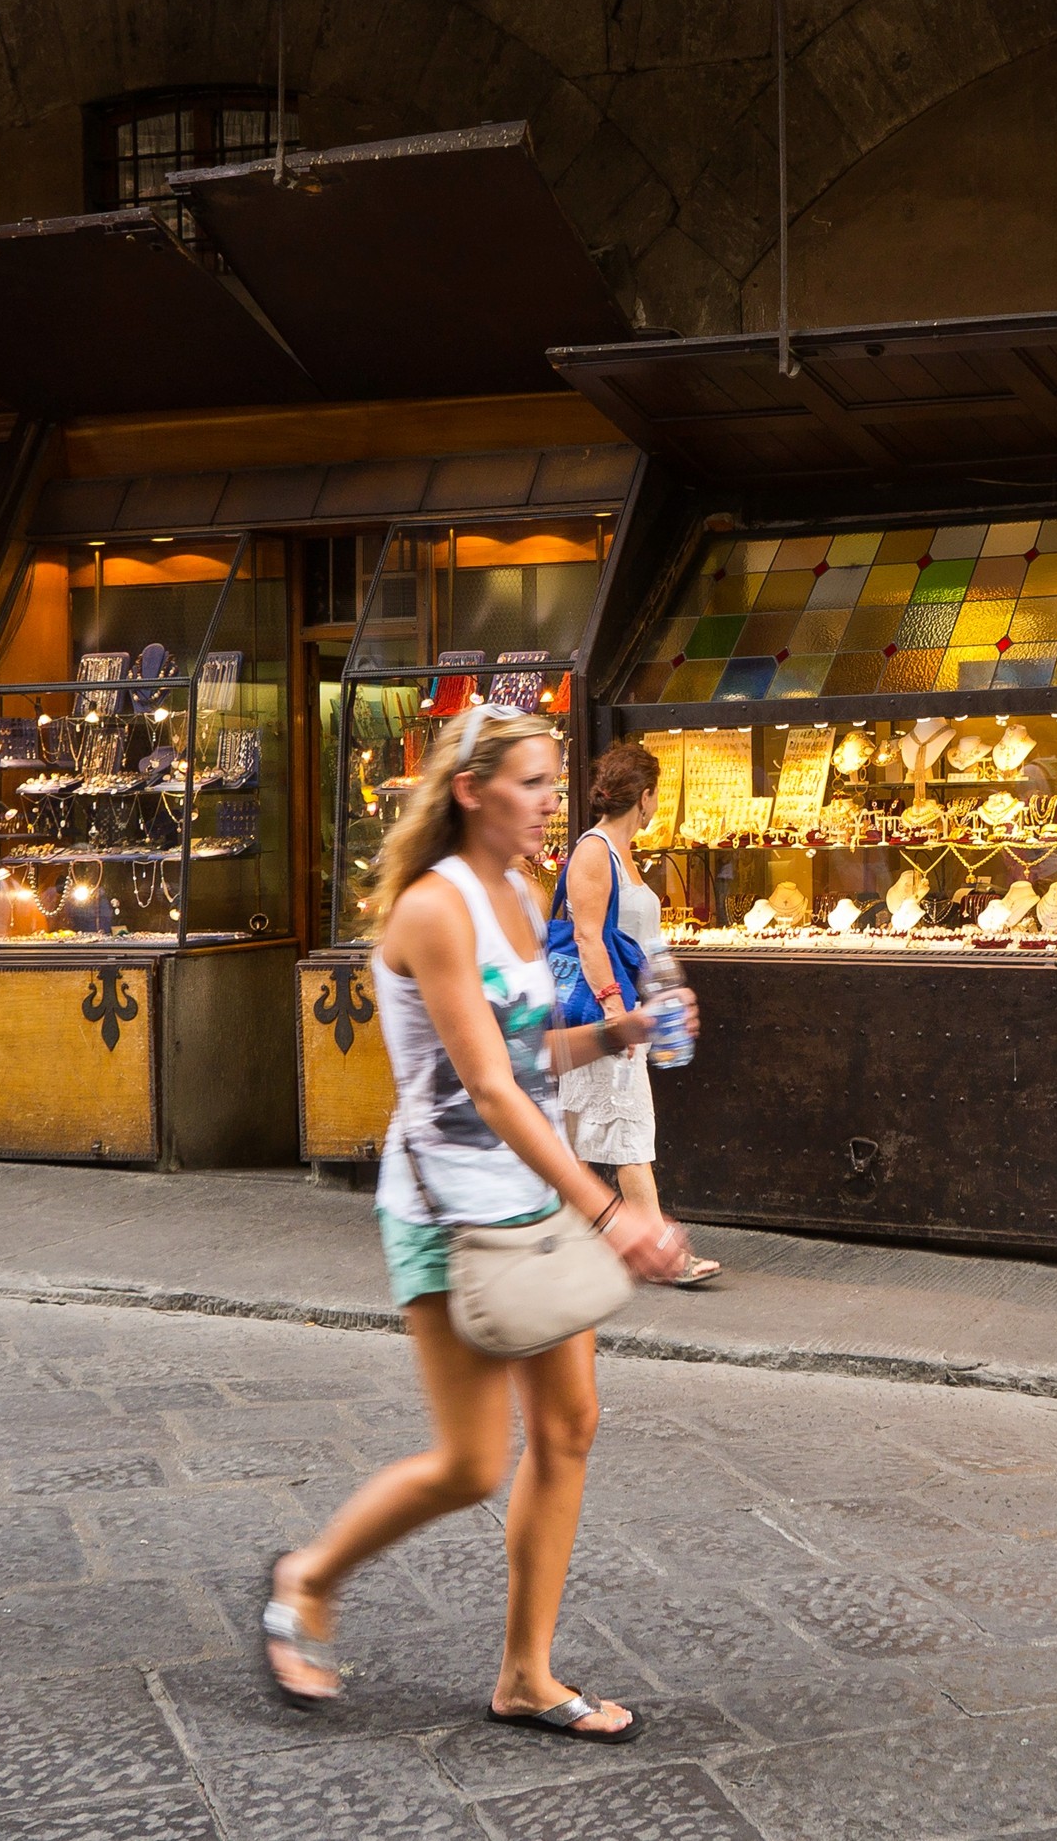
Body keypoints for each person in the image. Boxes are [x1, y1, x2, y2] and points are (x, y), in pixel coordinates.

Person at [263, 706, 692, 1739]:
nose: (554, 801)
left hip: (532, 1193)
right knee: (467, 1461)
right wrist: (614, 1211)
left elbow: (531, 1051)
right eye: (535, 782)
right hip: (449, 1209)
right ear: (471, 789)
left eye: (556, 782)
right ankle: (306, 1578)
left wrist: (619, 1029)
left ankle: (526, 1675)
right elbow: (490, 1087)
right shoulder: (434, 909)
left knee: (569, 1426)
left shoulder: (518, 888)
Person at [546, 739, 718, 1288]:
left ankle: (564, 1243)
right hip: (607, 1010)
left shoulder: (620, 855)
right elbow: (589, 939)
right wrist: (616, 1017)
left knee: (580, 1129)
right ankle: (663, 1252)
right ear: (645, 797)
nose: (655, 805)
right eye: (655, 796)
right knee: (629, 1129)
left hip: (631, 1010)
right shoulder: (595, 851)